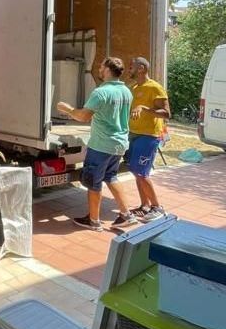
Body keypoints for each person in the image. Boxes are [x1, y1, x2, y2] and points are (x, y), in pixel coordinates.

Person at [57, 57, 137, 231]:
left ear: (107, 69)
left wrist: (67, 109)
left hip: (101, 145)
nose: (99, 69)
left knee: (94, 182)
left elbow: (83, 117)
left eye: (101, 67)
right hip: (119, 144)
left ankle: (93, 221)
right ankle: (126, 215)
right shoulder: (126, 91)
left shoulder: (101, 92)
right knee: (111, 176)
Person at [127, 56, 171, 220]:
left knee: (142, 173)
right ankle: (144, 206)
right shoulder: (134, 87)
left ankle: (157, 207)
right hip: (134, 134)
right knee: (135, 171)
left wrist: (144, 108)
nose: (129, 70)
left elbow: (167, 113)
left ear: (141, 69)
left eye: (131, 67)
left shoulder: (155, 87)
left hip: (149, 136)